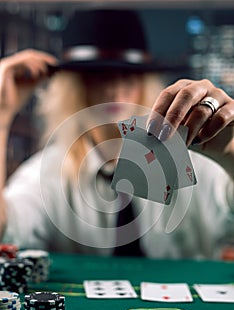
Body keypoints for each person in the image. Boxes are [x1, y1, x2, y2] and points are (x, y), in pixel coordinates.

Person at [0, 9, 233, 259]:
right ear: (73, 88)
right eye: (98, 76)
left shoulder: (192, 160)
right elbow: (7, 229)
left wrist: (230, 151)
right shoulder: (48, 171)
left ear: (145, 83)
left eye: (128, 75)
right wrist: (1, 118)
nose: (114, 88)